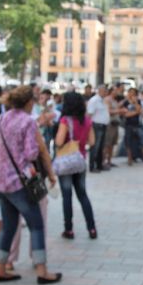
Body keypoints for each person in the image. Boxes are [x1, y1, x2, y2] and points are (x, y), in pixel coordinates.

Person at [0, 86, 60, 285]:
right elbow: (31, 153)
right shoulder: (27, 121)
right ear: (29, 102)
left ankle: (0, 268)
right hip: (19, 182)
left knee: (8, 227)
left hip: (0, 181)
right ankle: (42, 270)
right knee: (36, 225)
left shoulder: (0, 120)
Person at [55, 92, 97, 240]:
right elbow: (92, 142)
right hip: (80, 161)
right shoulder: (87, 120)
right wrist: (80, 143)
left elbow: (59, 141)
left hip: (66, 162)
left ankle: (69, 229)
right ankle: (91, 228)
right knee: (83, 195)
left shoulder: (65, 120)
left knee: (67, 196)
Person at [121, 87, 143, 166]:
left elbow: (141, 112)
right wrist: (136, 112)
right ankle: (129, 159)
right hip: (128, 125)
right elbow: (126, 115)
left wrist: (135, 103)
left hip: (138, 125)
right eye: (130, 92)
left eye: (133, 93)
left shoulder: (138, 101)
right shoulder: (126, 103)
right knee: (128, 142)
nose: (132, 94)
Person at [87, 85, 110, 173]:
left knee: (100, 147)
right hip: (96, 126)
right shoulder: (94, 100)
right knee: (95, 147)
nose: (106, 93)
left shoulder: (102, 100)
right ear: (100, 91)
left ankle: (99, 165)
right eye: (105, 91)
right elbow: (89, 114)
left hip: (103, 125)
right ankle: (92, 166)